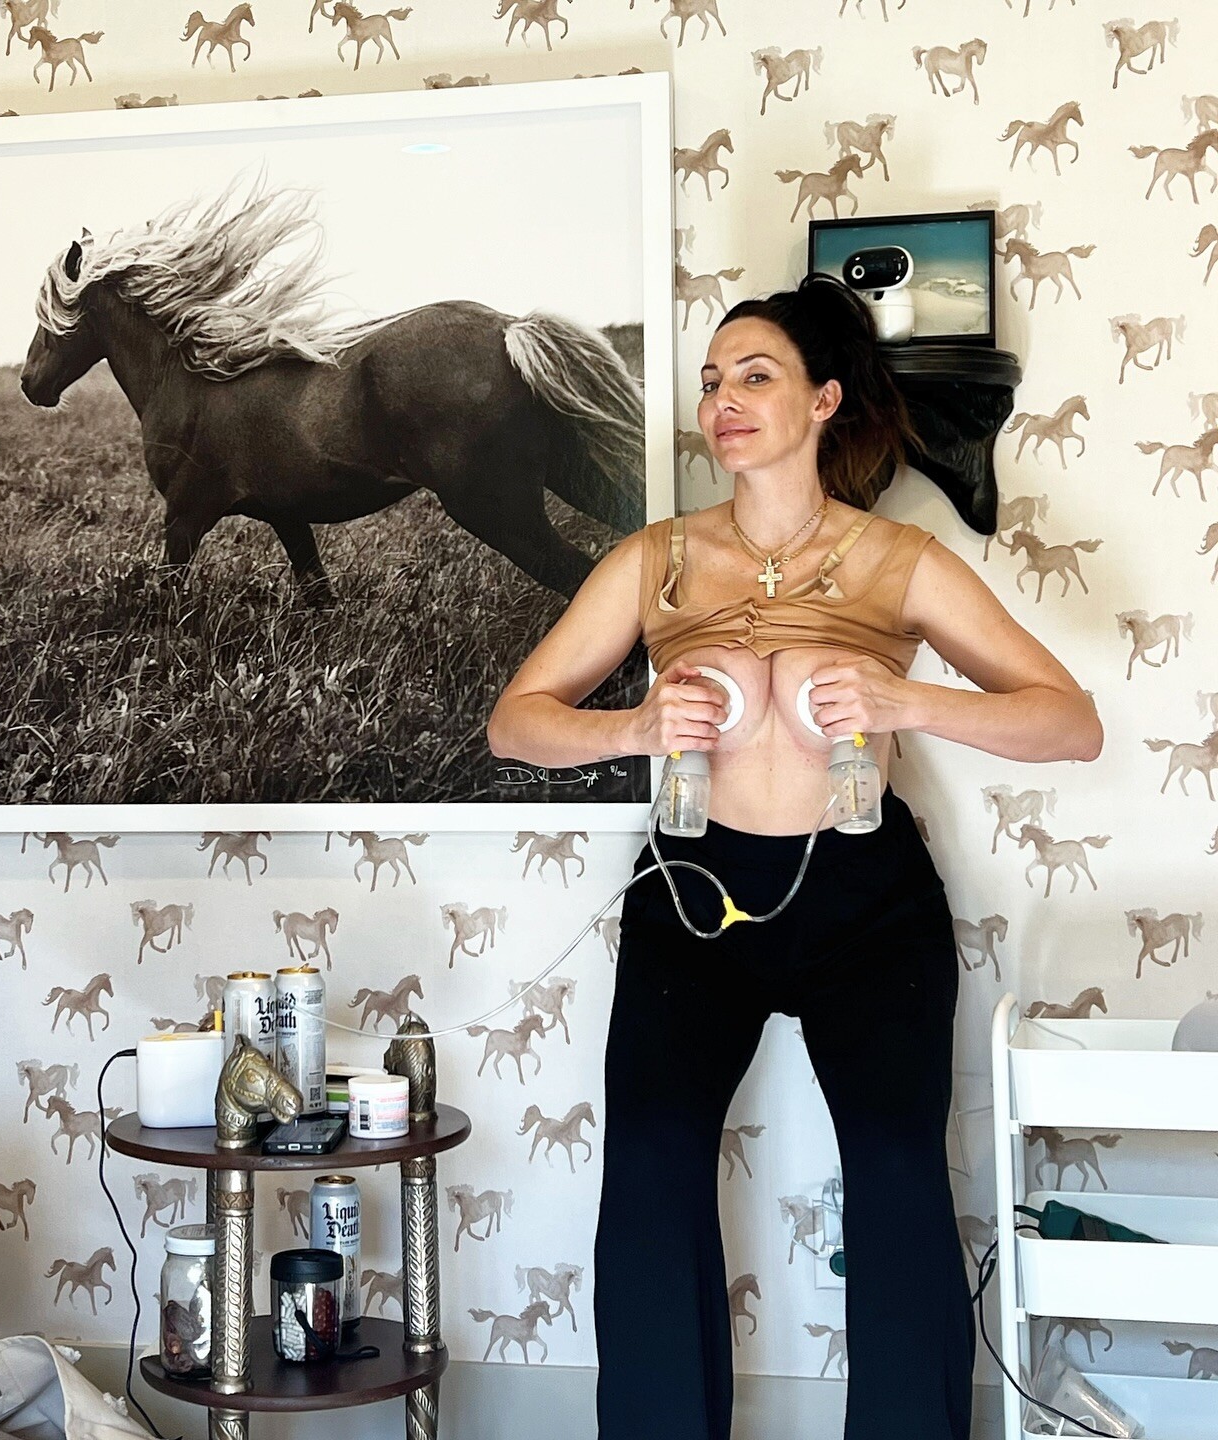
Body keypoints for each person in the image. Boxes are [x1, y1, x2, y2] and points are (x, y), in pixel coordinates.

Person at [486, 273, 1102, 1440]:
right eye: (712, 380)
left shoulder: (896, 561)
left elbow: (1071, 723)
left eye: (755, 376)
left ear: (823, 400)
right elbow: (516, 721)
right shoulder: (656, 559)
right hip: (692, 894)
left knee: (897, 1172)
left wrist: (908, 702)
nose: (723, 400)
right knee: (653, 1170)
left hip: (865, 901)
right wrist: (632, 728)